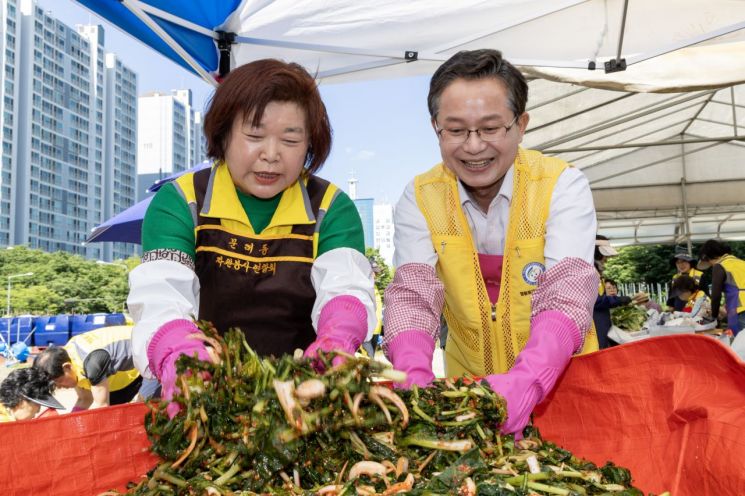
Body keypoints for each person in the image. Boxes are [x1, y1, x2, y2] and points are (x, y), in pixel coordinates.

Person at [127, 59, 376, 416]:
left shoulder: (331, 208)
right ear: (223, 134)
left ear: (310, 144)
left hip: (302, 396)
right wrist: (179, 355)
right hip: (203, 393)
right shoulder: (181, 201)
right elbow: (160, 296)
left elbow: (346, 289)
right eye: (255, 136)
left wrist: (337, 341)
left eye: (290, 139)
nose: (271, 154)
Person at [382, 49, 600, 437]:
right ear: (436, 128)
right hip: (469, 402)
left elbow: (567, 291)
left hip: (565, 393)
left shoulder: (562, 185)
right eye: (456, 130)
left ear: (521, 125)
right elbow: (414, 294)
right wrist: (413, 373)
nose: (473, 146)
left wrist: (529, 381)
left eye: (490, 128)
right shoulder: (419, 197)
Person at [34, 326, 145, 410]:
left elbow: (102, 407)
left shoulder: (92, 364)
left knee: (145, 409)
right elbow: (85, 398)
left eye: (59, 381)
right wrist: (72, 424)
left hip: (148, 352)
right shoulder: (67, 357)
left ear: (67, 366)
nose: (60, 387)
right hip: (119, 371)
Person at [593, 235, 644, 348]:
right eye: (604, 256)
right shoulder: (590, 272)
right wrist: (623, 299)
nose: (606, 259)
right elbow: (596, 301)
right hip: (596, 328)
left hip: (601, 325)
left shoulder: (596, 271)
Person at [697, 239, 745, 334]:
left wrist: (714, 317)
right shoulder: (742, 263)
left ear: (708, 257)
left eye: (709, 263)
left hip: (739, 311)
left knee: (741, 345)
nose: (710, 265)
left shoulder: (719, 266)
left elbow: (716, 296)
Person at [361, 258, 384, 358]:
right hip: (366, 333)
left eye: (376, 273)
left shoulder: (375, 288)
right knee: (367, 360)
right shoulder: (362, 288)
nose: (375, 275)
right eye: (372, 272)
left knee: (370, 361)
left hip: (376, 331)